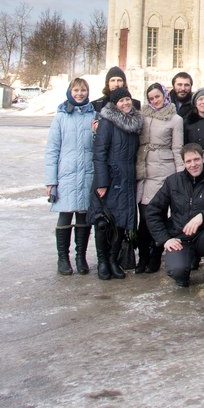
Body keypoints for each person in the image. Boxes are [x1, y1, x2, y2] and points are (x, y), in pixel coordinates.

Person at [145, 143, 204, 297]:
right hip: (180, 239)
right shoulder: (172, 182)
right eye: (188, 161)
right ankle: (184, 269)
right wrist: (165, 239)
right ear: (183, 163)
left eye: (196, 159)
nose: (193, 164)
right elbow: (152, 211)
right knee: (177, 271)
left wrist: (203, 216)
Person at [88, 87, 143, 281]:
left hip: (127, 180)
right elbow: (99, 154)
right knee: (103, 222)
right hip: (109, 180)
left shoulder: (135, 123)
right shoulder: (107, 123)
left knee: (121, 222)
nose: (125, 103)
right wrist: (102, 182)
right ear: (114, 104)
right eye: (121, 101)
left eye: (128, 99)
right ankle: (102, 261)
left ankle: (113, 260)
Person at [44, 77, 96, 275]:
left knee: (84, 216)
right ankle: (63, 259)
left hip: (87, 173)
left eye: (83, 90)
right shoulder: (61, 117)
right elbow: (52, 149)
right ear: (70, 92)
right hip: (65, 174)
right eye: (76, 90)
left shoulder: (94, 115)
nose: (80, 94)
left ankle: (81, 257)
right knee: (65, 215)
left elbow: (98, 145)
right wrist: (51, 180)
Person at [136, 82, 184, 274]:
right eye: (151, 98)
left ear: (165, 96)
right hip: (144, 170)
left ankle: (155, 256)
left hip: (164, 170)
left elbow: (177, 148)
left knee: (159, 216)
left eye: (157, 96)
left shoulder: (175, 119)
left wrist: (180, 175)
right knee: (144, 218)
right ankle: (143, 257)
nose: (155, 101)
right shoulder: (143, 116)